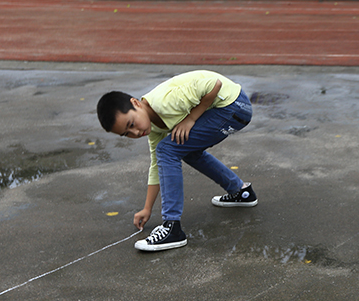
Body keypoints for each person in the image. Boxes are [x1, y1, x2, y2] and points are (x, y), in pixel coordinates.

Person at [97, 70, 257, 252]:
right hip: (230, 108)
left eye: (131, 124)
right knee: (183, 149)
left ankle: (172, 228)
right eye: (127, 134)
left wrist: (190, 120)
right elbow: (157, 166)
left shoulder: (165, 101)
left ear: (136, 103)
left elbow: (214, 84)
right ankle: (241, 192)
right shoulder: (155, 126)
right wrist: (147, 209)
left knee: (168, 148)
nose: (135, 133)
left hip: (234, 106)